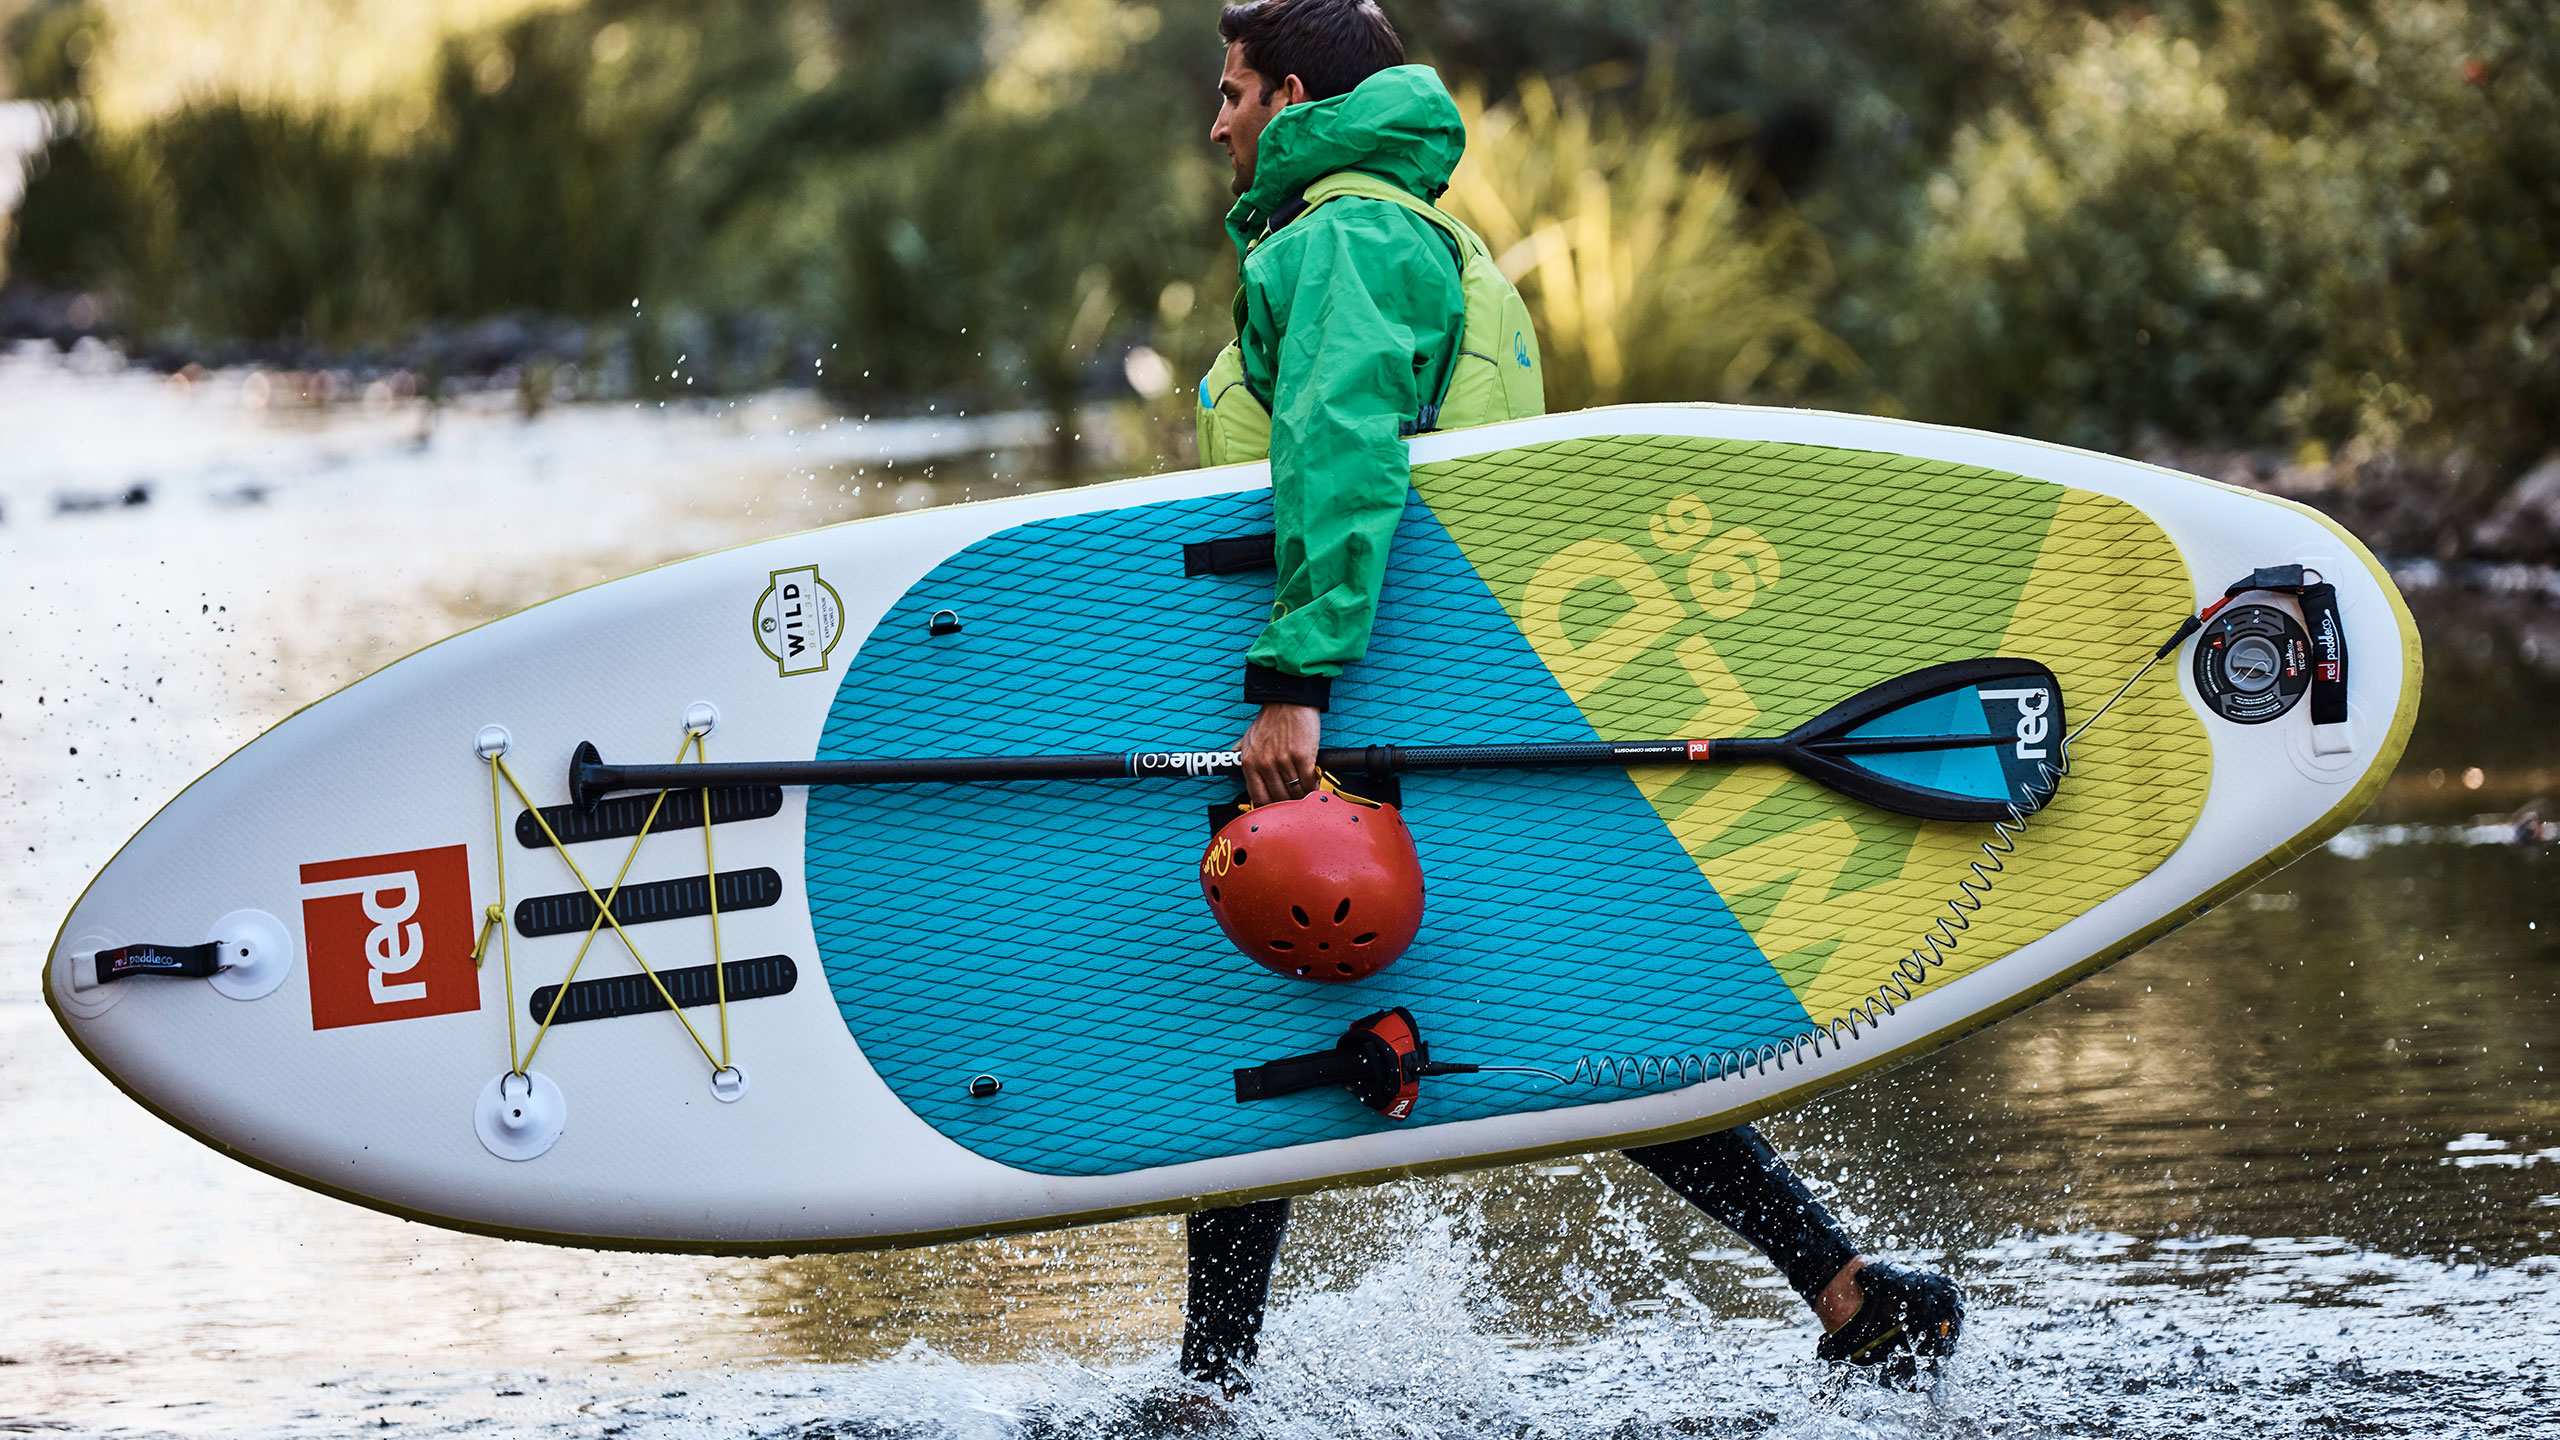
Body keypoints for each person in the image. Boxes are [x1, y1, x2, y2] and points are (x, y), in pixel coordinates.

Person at [1183, 0, 1964, 1397]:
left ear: (1294, 96)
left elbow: (1342, 460)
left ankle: (1206, 1395)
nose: (1218, 120)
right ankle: (1850, 1297)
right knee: (1559, 1021)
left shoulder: (1345, 239)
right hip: (1469, 701)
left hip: (1366, 708)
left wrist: (1295, 684)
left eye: (1235, 91)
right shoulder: (1450, 250)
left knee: (1262, 1015)